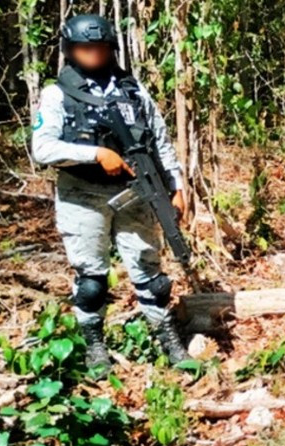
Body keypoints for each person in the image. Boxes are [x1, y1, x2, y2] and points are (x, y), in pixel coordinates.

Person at [32, 14, 191, 376]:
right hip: (82, 194)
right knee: (91, 280)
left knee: (151, 274)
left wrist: (177, 186)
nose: (94, 54)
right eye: (85, 48)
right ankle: (95, 347)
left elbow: (160, 140)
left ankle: (168, 340)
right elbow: (43, 148)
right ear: (70, 50)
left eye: (101, 47)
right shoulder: (56, 94)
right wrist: (95, 154)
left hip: (137, 191)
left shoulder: (132, 90)